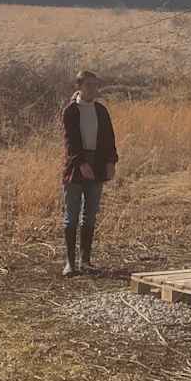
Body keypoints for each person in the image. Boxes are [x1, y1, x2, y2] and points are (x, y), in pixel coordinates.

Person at [60, 69, 119, 277]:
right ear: (79, 86)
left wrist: (111, 161)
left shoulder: (101, 110)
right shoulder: (70, 111)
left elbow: (109, 138)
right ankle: (70, 263)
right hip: (75, 167)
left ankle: (85, 261)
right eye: (88, 85)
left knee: (90, 215)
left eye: (95, 85)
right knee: (71, 216)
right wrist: (81, 163)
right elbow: (70, 141)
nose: (93, 89)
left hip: (98, 164)